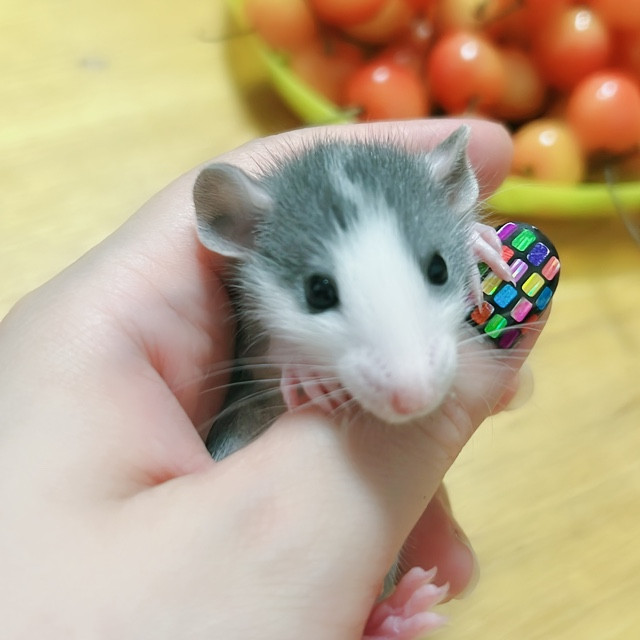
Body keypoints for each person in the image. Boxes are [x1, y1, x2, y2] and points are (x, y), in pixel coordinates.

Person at [0, 119, 542, 639]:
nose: (412, 384)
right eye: (322, 295)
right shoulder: (237, 332)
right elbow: (260, 366)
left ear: (454, 187)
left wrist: (462, 241)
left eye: (436, 271)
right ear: (238, 226)